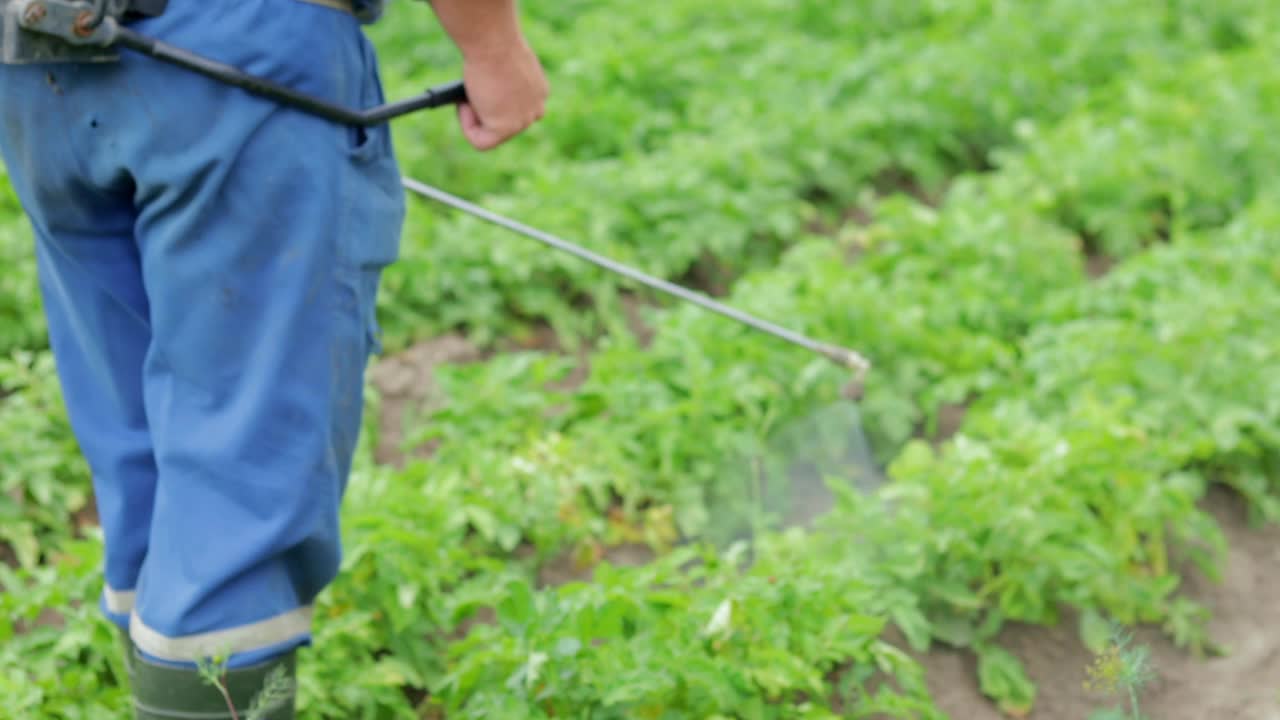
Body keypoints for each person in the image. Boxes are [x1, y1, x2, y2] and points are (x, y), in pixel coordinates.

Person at [0, 0, 547, 717]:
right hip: (237, 51)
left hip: (36, 68)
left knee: (141, 453)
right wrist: (496, 50)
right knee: (239, 479)